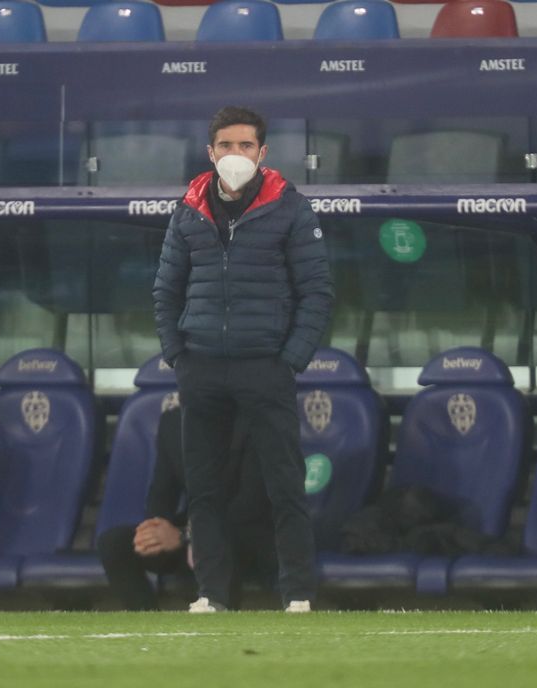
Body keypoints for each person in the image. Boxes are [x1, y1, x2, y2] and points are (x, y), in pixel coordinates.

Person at [152, 106, 334, 613]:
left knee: (284, 485)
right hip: (202, 367)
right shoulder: (188, 209)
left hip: (266, 365)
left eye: (246, 146)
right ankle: (209, 594)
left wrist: (289, 360)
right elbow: (166, 289)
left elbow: (317, 292)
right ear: (210, 152)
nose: (236, 155)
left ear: (263, 152)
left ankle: (297, 593)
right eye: (226, 146)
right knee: (204, 491)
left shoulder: (290, 207)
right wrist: (178, 355)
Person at [97, 406, 278, 611]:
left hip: (247, 533)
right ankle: (149, 629)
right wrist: (154, 531)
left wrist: (185, 535)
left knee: (223, 542)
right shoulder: (173, 421)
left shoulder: (254, 419)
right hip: (196, 528)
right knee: (114, 543)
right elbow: (161, 493)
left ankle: (220, 626)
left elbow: (250, 504)